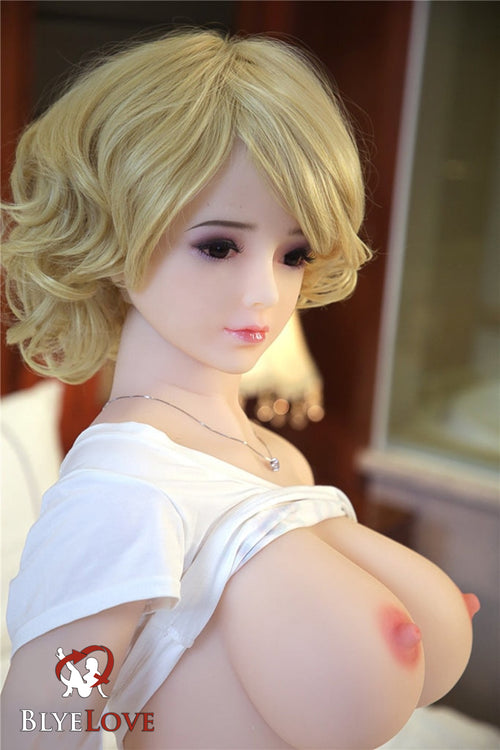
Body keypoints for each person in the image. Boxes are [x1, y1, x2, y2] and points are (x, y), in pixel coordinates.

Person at [1, 28, 478, 750]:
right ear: (114, 238)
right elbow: (37, 730)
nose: (264, 292)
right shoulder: (127, 491)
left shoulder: (274, 458)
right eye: (219, 246)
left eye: (294, 253)